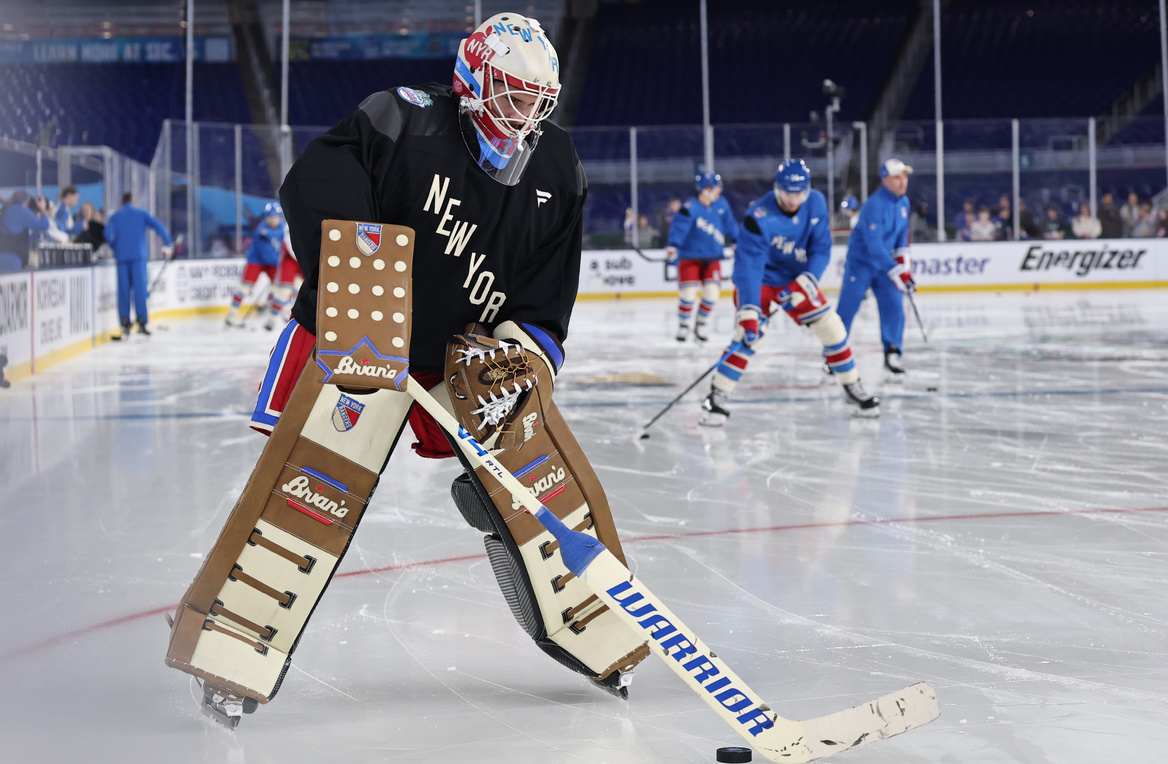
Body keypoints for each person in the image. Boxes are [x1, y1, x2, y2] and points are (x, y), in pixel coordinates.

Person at [165, 12, 651, 727]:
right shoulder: (399, 119)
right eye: (511, 94)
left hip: (467, 359)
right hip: (364, 343)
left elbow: (549, 293)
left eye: (536, 100)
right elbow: (313, 187)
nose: (525, 114)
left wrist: (520, 352)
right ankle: (233, 652)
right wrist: (364, 290)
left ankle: (602, 638)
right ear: (472, 80)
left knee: (540, 493)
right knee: (306, 497)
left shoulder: (557, 167)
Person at [699, 159, 879, 425]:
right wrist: (749, 311)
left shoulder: (816, 202)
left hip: (796, 279)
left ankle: (852, 387)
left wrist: (806, 282)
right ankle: (716, 396)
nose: (794, 200)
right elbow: (749, 267)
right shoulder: (758, 217)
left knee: (833, 329)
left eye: (799, 194)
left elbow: (821, 248)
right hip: (761, 281)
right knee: (748, 336)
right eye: (787, 194)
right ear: (777, 190)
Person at [836, 158, 915, 382]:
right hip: (861, 263)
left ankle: (892, 352)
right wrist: (895, 269)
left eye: (905, 176)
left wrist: (905, 265)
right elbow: (874, 246)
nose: (903, 181)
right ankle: (833, 355)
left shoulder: (904, 203)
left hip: (885, 266)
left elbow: (902, 235)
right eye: (898, 177)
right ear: (885, 180)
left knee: (894, 306)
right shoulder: (874, 205)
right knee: (847, 309)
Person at [666, 171, 737, 342]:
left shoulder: (721, 205)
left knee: (712, 293)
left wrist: (737, 241)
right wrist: (673, 246)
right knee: (688, 294)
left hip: (713, 257)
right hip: (690, 257)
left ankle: (701, 323)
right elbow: (678, 228)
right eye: (716, 187)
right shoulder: (689, 208)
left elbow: (730, 225)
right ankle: (684, 325)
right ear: (706, 189)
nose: (719, 191)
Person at [104, 192, 171, 339]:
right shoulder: (141, 213)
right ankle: (141, 322)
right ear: (133, 201)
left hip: (122, 258)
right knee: (140, 290)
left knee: (123, 291)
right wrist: (168, 243)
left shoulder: (115, 216)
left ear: (122, 202)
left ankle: (124, 323)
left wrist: (116, 246)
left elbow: (107, 234)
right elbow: (159, 226)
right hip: (138, 257)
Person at [225, 201, 286, 327]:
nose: (273, 220)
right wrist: (281, 263)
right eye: (271, 217)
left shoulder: (283, 228)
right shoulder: (262, 232)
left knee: (280, 287)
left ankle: (271, 309)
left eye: (276, 217)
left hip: (273, 263)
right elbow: (267, 254)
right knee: (244, 288)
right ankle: (231, 315)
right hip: (257, 261)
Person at [0, 191, 51, 272]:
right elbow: (44, 226)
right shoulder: (21, 210)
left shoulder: (7, 210)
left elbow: (27, 237)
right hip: (13, 259)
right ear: (27, 202)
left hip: (4, 254)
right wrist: (42, 210)